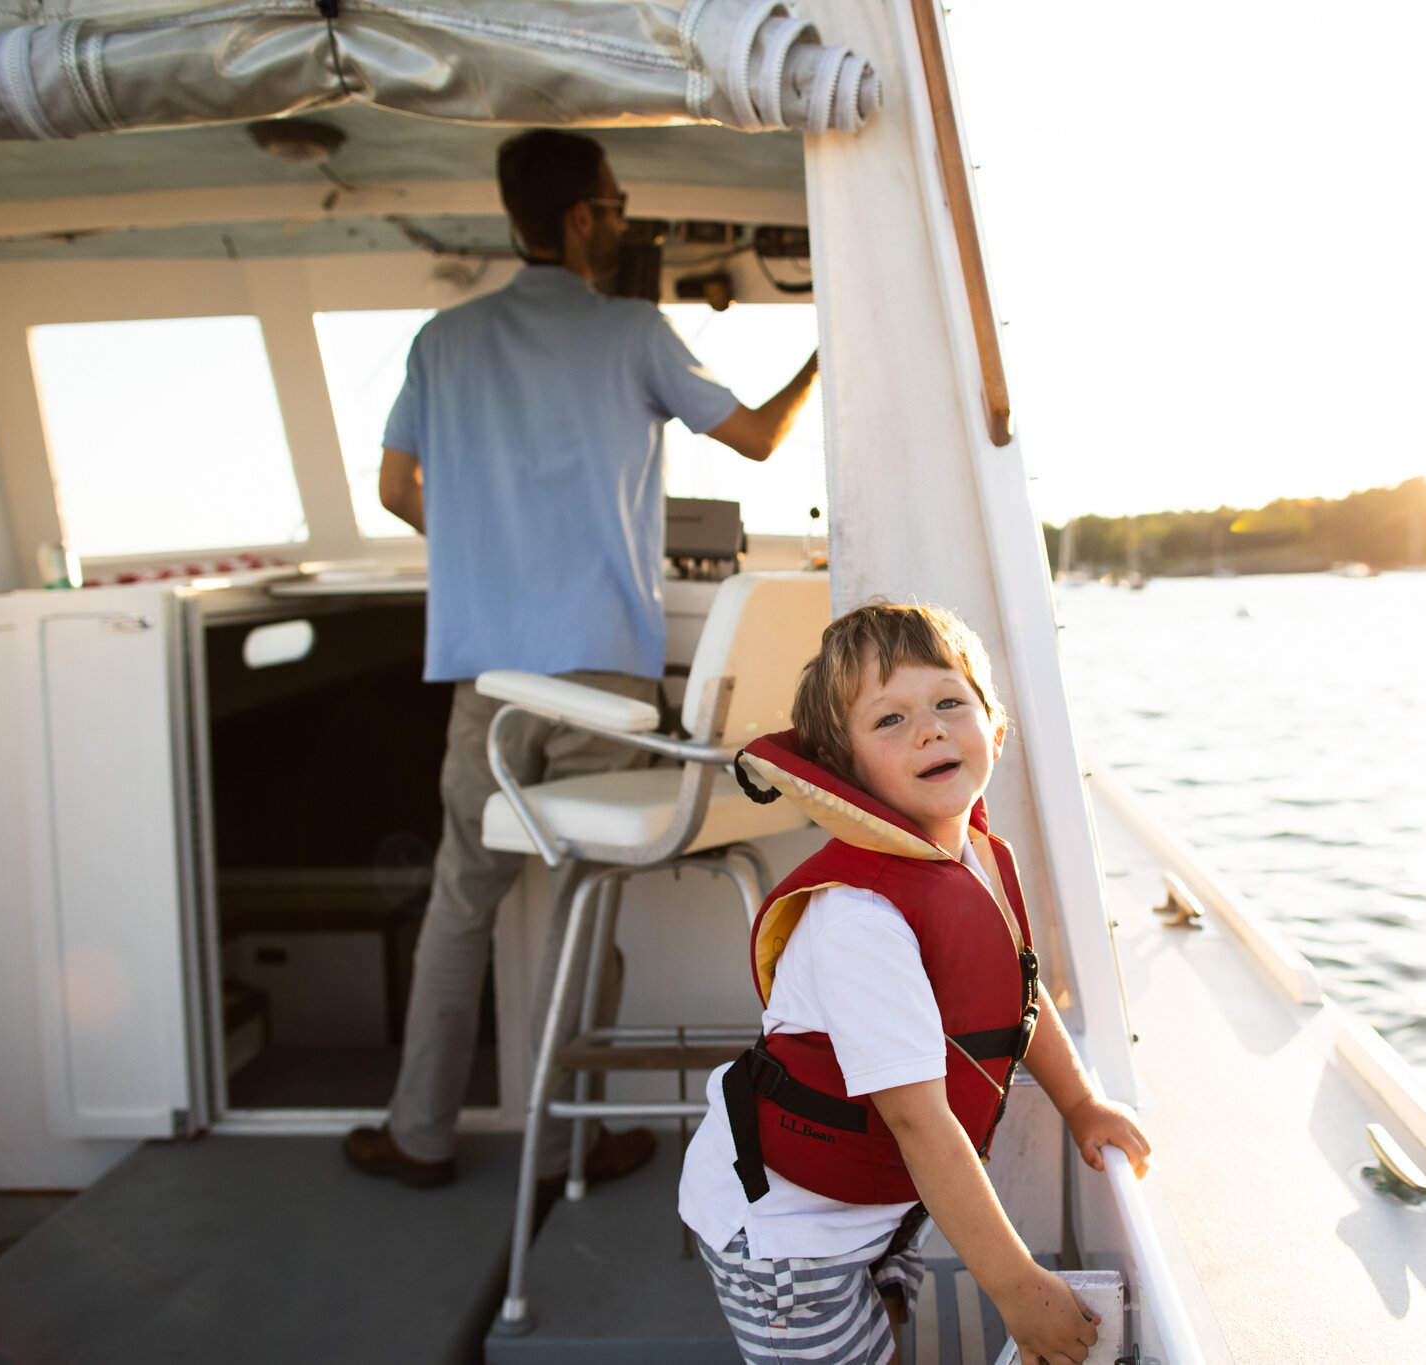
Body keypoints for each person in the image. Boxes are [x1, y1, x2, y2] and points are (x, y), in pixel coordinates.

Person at [344, 128, 820, 1191]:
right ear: (576, 220)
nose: (620, 219)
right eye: (612, 203)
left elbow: (393, 489)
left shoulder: (442, 340)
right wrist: (827, 350)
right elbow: (757, 440)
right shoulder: (630, 333)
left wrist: (482, 551)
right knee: (585, 907)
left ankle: (418, 1135)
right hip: (605, 683)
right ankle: (567, 1143)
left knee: (458, 907)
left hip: (493, 689)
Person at [678, 603, 1152, 1365]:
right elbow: (920, 1124)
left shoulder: (979, 860)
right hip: (787, 1241)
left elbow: (1017, 999)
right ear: (846, 772)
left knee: (886, 1331)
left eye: (947, 702)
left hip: (881, 1209)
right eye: (889, 719)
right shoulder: (859, 920)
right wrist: (1021, 1292)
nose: (928, 729)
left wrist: (1082, 1102)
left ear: (995, 728)